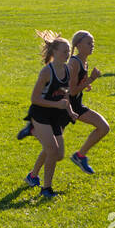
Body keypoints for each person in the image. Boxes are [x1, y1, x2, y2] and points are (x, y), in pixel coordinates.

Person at [18, 31, 78, 199]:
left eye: (68, 50)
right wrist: (56, 104)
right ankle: (46, 189)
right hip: (40, 114)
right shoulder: (46, 72)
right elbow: (34, 98)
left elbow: (64, 92)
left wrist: (70, 111)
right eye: (64, 51)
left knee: (58, 155)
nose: (67, 54)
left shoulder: (67, 69)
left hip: (55, 115)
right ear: (54, 52)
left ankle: (32, 176)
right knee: (52, 150)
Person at [63, 31, 108, 176]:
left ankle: (80, 156)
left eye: (93, 43)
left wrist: (86, 84)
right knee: (52, 149)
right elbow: (71, 91)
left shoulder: (84, 61)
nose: (92, 45)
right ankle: (33, 175)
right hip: (66, 108)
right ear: (78, 45)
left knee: (103, 127)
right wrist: (90, 80)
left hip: (76, 107)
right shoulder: (74, 62)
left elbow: (78, 83)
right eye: (89, 43)